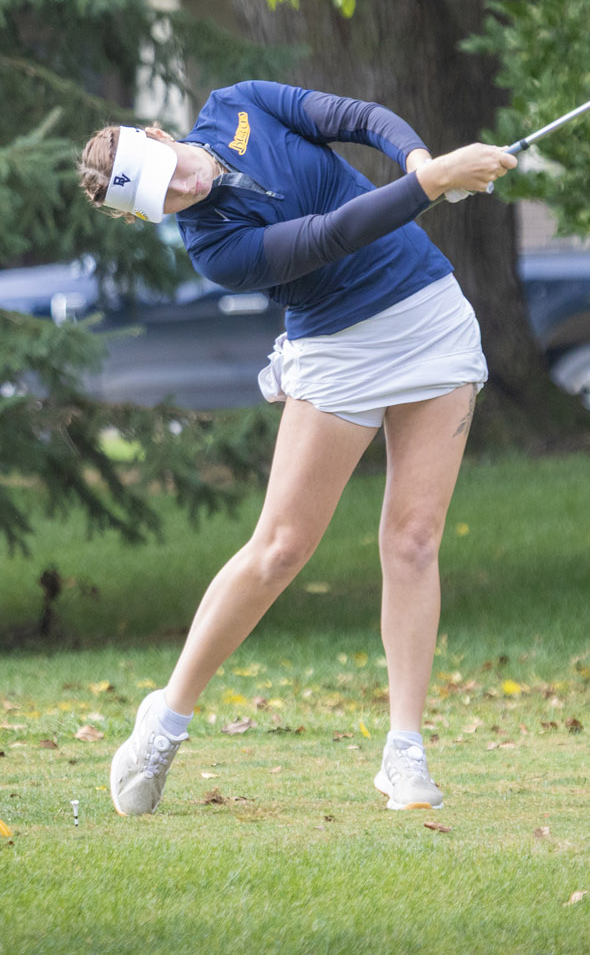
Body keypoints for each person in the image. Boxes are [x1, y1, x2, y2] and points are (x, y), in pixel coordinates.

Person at [75, 80, 517, 814]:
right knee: (280, 548)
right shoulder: (214, 248)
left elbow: (356, 118)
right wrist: (432, 184)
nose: (183, 190)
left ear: (157, 136)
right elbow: (330, 236)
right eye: (164, 202)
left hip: (430, 315)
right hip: (339, 351)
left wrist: (416, 159)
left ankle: (404, 752)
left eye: (170, 174)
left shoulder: (235, 104)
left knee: (413, 540)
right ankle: (167, 718)